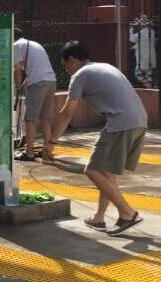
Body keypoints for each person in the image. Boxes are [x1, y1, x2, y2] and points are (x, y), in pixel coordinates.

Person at [44, 41, 147, 236]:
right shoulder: (105, 66)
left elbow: (66, 113)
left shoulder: (80, 75)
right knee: (106, 173)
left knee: (92, 171)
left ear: (73, 60)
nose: (66, 70)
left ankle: (128, 213)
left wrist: (51, 143)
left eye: (65, 65)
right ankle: (98, 217)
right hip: (139, 121)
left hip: (120, 123)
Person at [13, 28, 56, 161]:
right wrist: (26, 82)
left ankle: (29, 152)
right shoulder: (34, 44)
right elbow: (37, 67)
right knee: (45, 119)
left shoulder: (15, 46)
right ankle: (47, 151)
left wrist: (17, 87)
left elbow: (17, 70)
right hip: (51, 81)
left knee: (30, 119)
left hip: (38, 83)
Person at [129, 15, 156, 88]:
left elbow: (132, 39)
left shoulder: (141, 32)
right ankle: (150, 86)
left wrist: (131, 29)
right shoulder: (152, 32)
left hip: (142, 56)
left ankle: (148, 86)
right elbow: (143, 42)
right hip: (150, 55)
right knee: (148, 73)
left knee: (138, 73)